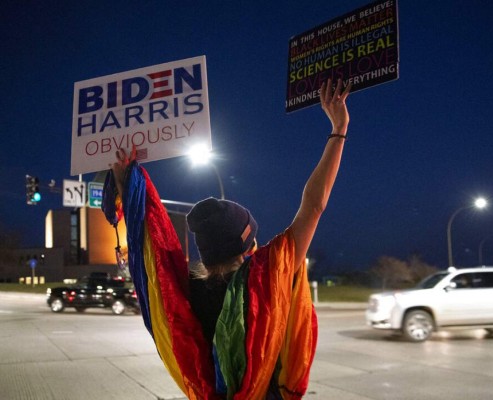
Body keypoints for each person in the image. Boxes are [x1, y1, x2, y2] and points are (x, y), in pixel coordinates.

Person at [105, 78, 352, 399]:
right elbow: (314, 205)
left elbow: (149, 247)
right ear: (246, 244)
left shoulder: (184, 294)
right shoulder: (266, 278)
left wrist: (126, 183)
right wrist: (339, 128)